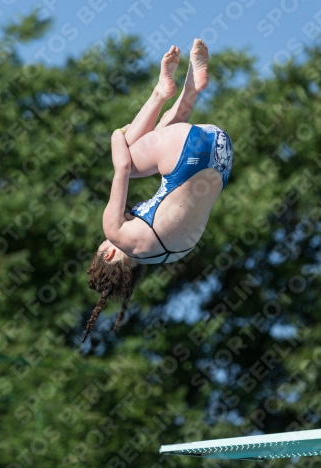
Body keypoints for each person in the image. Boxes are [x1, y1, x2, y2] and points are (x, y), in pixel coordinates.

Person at [83, 39, 233, 342]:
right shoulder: (116, 234)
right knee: (131, 159)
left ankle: (191, 88)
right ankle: (161, 92)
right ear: (110, 253)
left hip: (219, 153)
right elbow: (122, 167)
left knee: (163, 138)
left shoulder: (168, 255)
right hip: (192, 151)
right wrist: (116, 135)